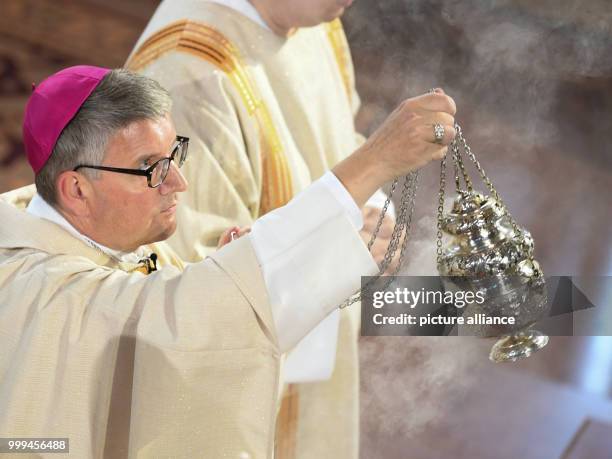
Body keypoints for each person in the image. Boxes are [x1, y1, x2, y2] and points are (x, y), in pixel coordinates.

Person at [0, 65, 455, 457]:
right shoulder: (39, 289)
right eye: (151, 167)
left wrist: (223, 277)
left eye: (174, 153)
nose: (177, 181)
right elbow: (177, 324)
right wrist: (374, 162)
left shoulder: (102, 233)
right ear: (76, 190)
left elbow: (183, 319)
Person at [126, 2, 399, 456]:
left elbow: (336, 142)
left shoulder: (315, 22)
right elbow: (190, 288)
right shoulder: (187, 71)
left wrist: (373, 211)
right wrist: (333, 252)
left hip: (310, 357)